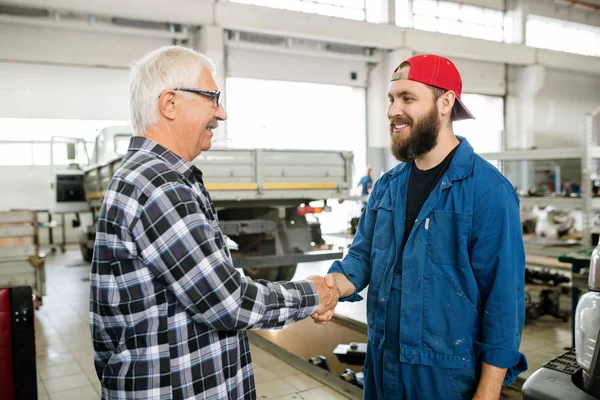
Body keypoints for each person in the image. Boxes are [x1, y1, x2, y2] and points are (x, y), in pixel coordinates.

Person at [89, 46, 339, 400]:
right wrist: (315, 293)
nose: (221, 113)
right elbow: (228, 302)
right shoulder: (159, 185)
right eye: (211, 98)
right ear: (170, 104)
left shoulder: (154, 178)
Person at [318, 54, 527, 399]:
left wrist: (487, 392)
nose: (392, 111)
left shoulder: (488, 192)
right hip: (382, 370)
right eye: (391, 99)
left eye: (407, 98)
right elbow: (362, 259)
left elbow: (503, 300)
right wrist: (329, 288)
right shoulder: (388, 186)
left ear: (445, 103)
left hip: (445, 380)